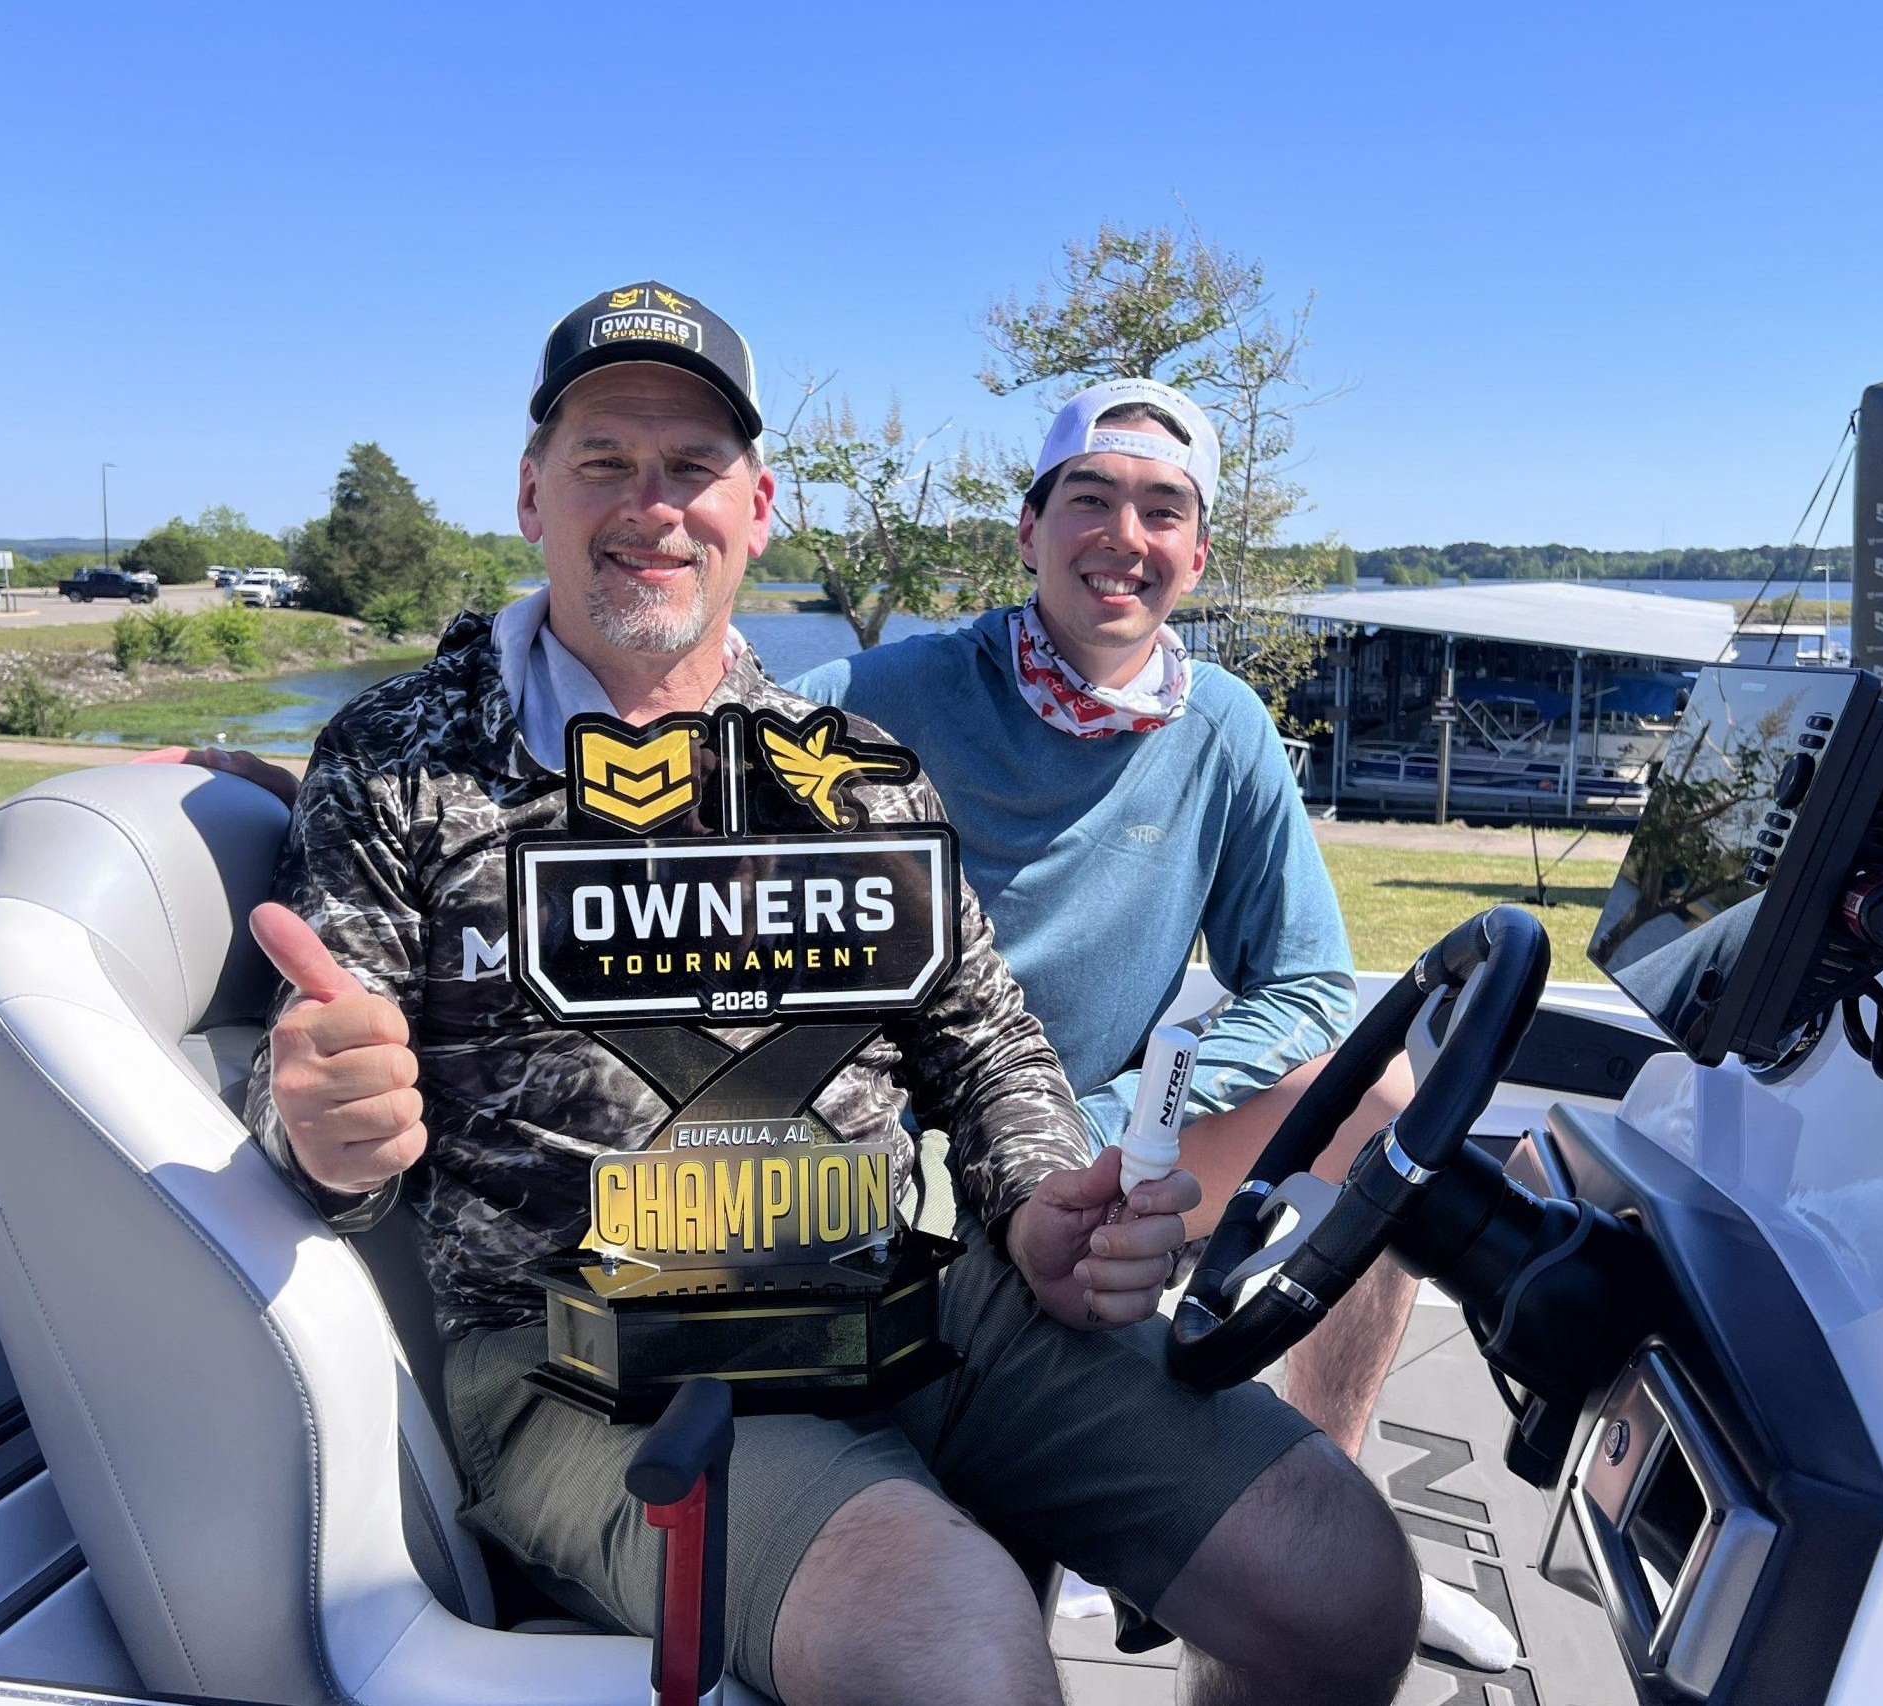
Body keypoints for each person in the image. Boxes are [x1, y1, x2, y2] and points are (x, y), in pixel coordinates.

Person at [240, 284, 1418, 1706]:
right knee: (953, 1639)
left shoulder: (852, 769)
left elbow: (986, 1044)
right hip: (589, 1354)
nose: (653, 505)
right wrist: (326, 1123)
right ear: (532, 491)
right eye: (606, 459)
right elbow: (318, 1090)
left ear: (758, 507)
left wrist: (1040, 1199)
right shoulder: (400, 761)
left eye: (694, 466)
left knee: (1345, 1584)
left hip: (907, 1292)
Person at [793, 377, 1515, 1671]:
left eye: (1161, 509)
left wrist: (1134, 1112)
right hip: (904, 1158)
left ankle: (1319, 1482)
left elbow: (1308, 987)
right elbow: (686, 762)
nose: (1123, 536)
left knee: (1384, 1111)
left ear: (1197, 551)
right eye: (1091, 498)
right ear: (1029, 531)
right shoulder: (886, 691)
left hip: (1093, 1137)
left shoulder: (1224, 727)